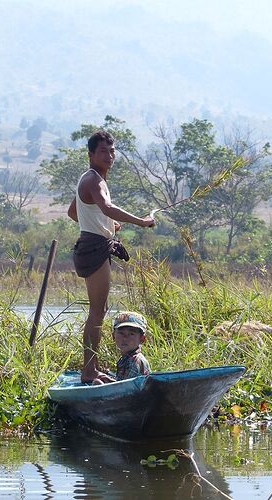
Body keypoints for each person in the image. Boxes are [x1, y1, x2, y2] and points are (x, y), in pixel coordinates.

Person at [67, 130, 155, 383]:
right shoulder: (93, 180)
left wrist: (107, 224)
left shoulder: (93, 179)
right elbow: (106, 206)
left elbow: (74, 212)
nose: (109, 155)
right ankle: (89, 370)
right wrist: (141, 221)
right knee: (98, 310)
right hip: (94, 246)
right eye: (103, 151)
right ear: (91, 154)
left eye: (112, 150)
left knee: (100, 308)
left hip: (95, 242)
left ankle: (90, 368)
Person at [93, 311, 151, 385]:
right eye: (121, 333)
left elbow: (126, 388)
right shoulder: (126, 358)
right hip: (129, 391)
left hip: (135, 395)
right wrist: (109, 378)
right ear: (113, 336)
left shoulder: (135, 361)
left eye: (131, 334)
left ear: (142, 339)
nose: (125, 338)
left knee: (97, 383)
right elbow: (123, 382)